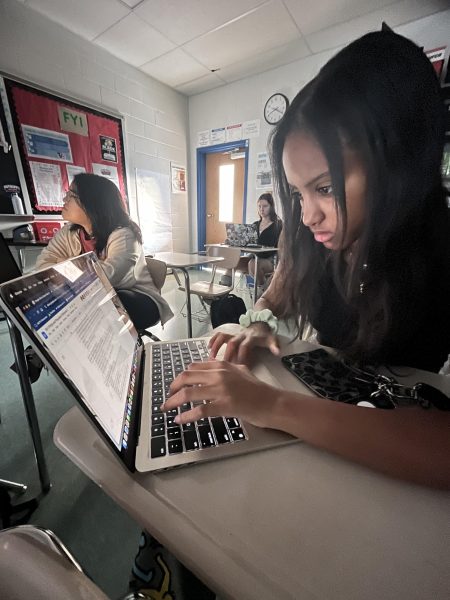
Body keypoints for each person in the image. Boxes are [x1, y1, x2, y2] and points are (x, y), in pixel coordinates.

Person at [163, 31, 450, 489]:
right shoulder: (309, 233)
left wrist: (270, 405)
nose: (308, 214)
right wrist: (258, 320)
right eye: (297, 193)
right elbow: (280, 292)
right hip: (320, 426)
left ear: (399, 165)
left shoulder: (439, 251)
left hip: (392, 460)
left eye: (326, 188)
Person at [35, 173, 173, 329]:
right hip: (89, 297)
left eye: (71, 195)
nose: (64, 200)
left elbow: (108, 277)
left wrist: (62, 266)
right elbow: (43, 264)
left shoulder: (124, 234)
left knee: (102, 304)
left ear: (93, 202)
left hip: (136, 298)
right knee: (51, 304)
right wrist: (77, 270)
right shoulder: (69, 232)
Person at [241, 192, 282, 286]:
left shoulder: (278, 225)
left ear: (271, 207)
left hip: (270, 259)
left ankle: (263, 289)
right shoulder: (255, 225)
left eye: (265, 206)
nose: (261, 209)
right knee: (234, 262)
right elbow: (249, 242)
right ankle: (220, 297)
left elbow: (281, 246)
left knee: (252, 263)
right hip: (253, 256)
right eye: (259, 206)